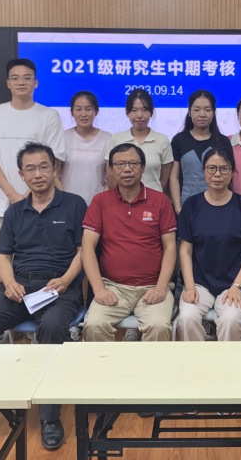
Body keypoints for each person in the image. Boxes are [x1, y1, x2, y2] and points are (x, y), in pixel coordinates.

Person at [0, 142, 87, 450]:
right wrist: (9, 282)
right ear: (21, 175)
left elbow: (84, 251)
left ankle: (50, 417)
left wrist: (66, 280)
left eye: (43, 167)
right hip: (18, 286)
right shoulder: (15, 211)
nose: (38, 174)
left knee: (52, 327)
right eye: (30, 169)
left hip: (58, 288)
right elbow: (3, 255)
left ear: (54, 169)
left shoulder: (74, 204)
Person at [82, 143, 177, 342]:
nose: (127, 169)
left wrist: (161, 288)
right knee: (94, 325)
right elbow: (87, 248)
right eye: (120, 164)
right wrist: (99, 290)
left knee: (159, 326)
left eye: (133, 163)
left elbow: (170, 247)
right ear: (110, 170)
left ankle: (150, 365)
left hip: (152, 286)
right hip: (113, 287)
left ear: (143, 168)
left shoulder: (160, 201)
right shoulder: (100, 201)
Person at [0, 58, 65, 259]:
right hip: (1, 205)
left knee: (39, 263)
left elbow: (54, 160)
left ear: (36, 82)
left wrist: (27, 195)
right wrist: (12, 194)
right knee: (4, 265)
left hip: (42, 205)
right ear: (8, 83)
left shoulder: (49, 115)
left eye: (27, 78)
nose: (21, 82)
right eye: (15, 78)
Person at [177, 147, 241, 341]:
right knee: (187, 318)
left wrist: (236, 286)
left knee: (230, 320)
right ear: (204, 171)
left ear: (232, 172)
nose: (217, 174)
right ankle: (198, 361)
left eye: (224, 169)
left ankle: (226, 361)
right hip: (199, 283)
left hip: (236, 283)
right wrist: (189, 287)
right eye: (211, 168)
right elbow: (185, 251)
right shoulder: (191, 205)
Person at [170, 90, 233, 214]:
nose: (202, 114)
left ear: (214, 112)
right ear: (189, 112)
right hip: (186, 206)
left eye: (207, 110)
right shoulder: (179, 140)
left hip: (218, 205)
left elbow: (229, 175)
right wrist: (178, 208)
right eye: (197, 110)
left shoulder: (223, 141)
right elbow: (174, 177)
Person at [105, 88, 173, 193]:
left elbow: (164, 179)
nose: (139, 115)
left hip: (153, 199)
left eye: (144, 110)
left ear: (151, 112)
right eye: (134, 110)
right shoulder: (116, 139)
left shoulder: (162, 140)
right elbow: (110, 174)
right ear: (127, 113)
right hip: (122, 199)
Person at [60, 90, 111, 205]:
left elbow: (111, 176)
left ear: (96, 111)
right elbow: (55, 174)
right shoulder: (63, 137)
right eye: (78, 109)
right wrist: (63, 199)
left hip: (97, 203)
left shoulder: (107, 139)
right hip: (67, 202)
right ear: (72, 112)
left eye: (88, 109)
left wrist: (101, 199)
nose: (83, 114)